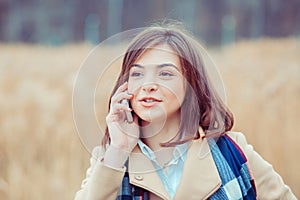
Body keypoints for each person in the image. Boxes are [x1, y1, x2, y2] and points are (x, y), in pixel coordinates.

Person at [74, 22, 296, 200]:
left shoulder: (233, 153)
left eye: (165, 74)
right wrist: (119, 148)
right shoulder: (110, 160)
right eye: (137, 74)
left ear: (191, 85)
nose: (148, 84)